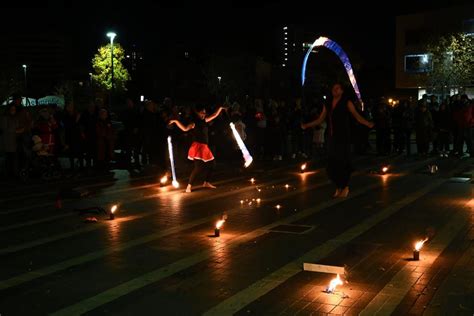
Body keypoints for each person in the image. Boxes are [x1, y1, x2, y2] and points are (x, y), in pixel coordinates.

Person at [301, 83, 374, 198]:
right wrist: (307, 125)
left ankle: (344, 186)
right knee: (331, 164)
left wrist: (367, 123)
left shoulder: (347, 102)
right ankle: (338, 186)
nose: (334, 90)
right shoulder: (328, 103)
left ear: (342, 91)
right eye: (333, 88)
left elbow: (356, 116)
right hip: (331, 136)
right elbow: (320, 119)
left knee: (342, 161)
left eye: (337, 88)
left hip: (343, 136)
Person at [168, 105, 227, 193]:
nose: (204, 114)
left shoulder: (205, 120)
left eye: (204, 112)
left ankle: (206, 182)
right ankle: (189, 186)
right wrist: (176, 121)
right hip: (198, 147)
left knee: (212, 165)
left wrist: (220, 108)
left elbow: (214, 115)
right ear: (198, 113)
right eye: (202, 112)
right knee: (198, 168)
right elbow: (184, 129)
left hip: (205, 147)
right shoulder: (194, 123)